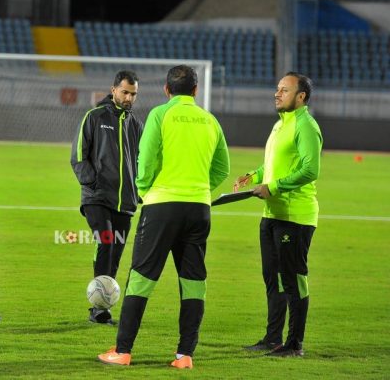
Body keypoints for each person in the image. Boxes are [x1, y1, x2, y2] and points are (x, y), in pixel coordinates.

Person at [97, 65, 230, 368]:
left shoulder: (160, 114)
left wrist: (146, 191)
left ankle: (123, 350)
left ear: (167, 90)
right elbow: (222, 167)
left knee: (141, 278)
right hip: (199, 208)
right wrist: (198, 190)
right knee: (194, 281)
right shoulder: (210, 120)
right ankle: (185, 356)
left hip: (162, 205)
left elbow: (146, 162)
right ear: (196, 91)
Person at [235, 72, 322, 357]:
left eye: (285, 90)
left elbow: (310, 170)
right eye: (277, 89)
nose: (277, 93)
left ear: (301, 97)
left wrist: (272, 186)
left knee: (294, 279)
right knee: (272, 279)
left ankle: (294, 343)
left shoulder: (306, 126)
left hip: (295, 216)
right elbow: (274, 165)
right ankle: (273, 338)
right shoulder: (279, 125)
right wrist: (254, 175)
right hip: (272, 214)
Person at [70, 70, 144, 325]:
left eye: (133, 94)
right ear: (113, 90)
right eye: (125, 92)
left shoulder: (136, 124)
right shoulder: (94, 116)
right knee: (106, 241)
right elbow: (79, 155)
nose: (129, 98)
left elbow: (141, 162)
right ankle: (98, 308)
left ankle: (102, 307)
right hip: (97, 197)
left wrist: (139, 190)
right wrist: (93, 183)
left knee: (116, 251)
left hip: (125, 202)